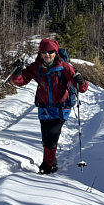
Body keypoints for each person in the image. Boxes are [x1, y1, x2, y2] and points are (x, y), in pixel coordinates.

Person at [11, 38, 89, 174]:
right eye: (44, 52)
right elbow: (21, 81)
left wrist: (81, 81)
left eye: (50, 52)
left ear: (56, 52)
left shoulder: (64, 67)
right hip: (44, 108)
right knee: (46, 137)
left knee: (52, 136)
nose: (47, 55)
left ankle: (48, 166)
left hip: (61, 108)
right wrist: (17, 72)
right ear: (40, 53)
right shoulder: (36, 67)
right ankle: (51, 160)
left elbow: (82, 88)